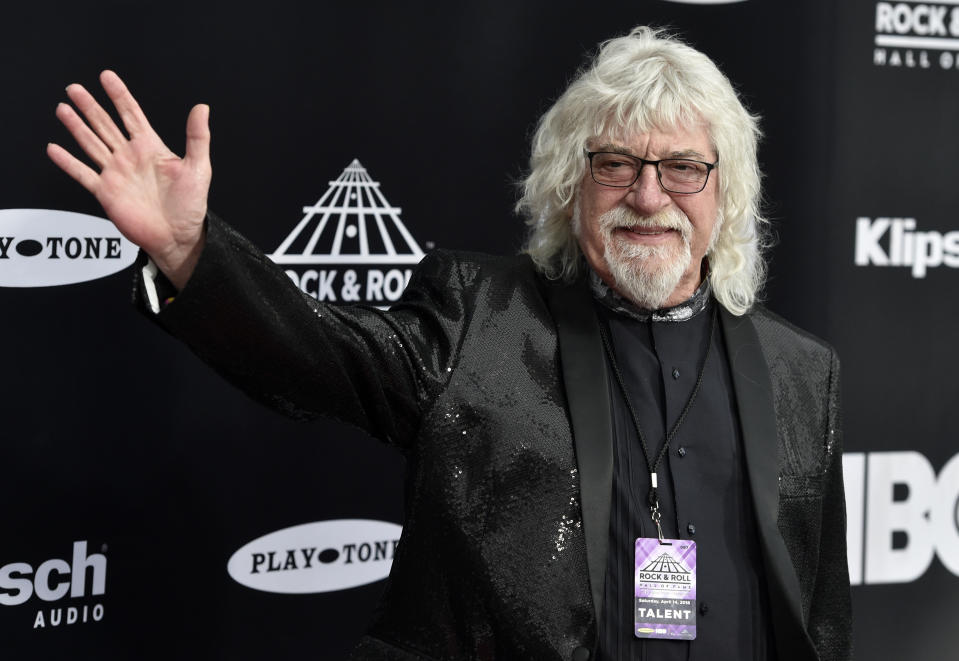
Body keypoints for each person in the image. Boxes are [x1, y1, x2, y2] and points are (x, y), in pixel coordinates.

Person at [48, 26, 851, 661]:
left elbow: (818, 614)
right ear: (571, 186)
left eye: (682, 168)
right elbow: (325, 356)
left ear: (725, 192)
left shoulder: (800, 372)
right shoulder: (479, 315)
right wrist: (192, 253)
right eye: (615, 165)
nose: (648, 196)